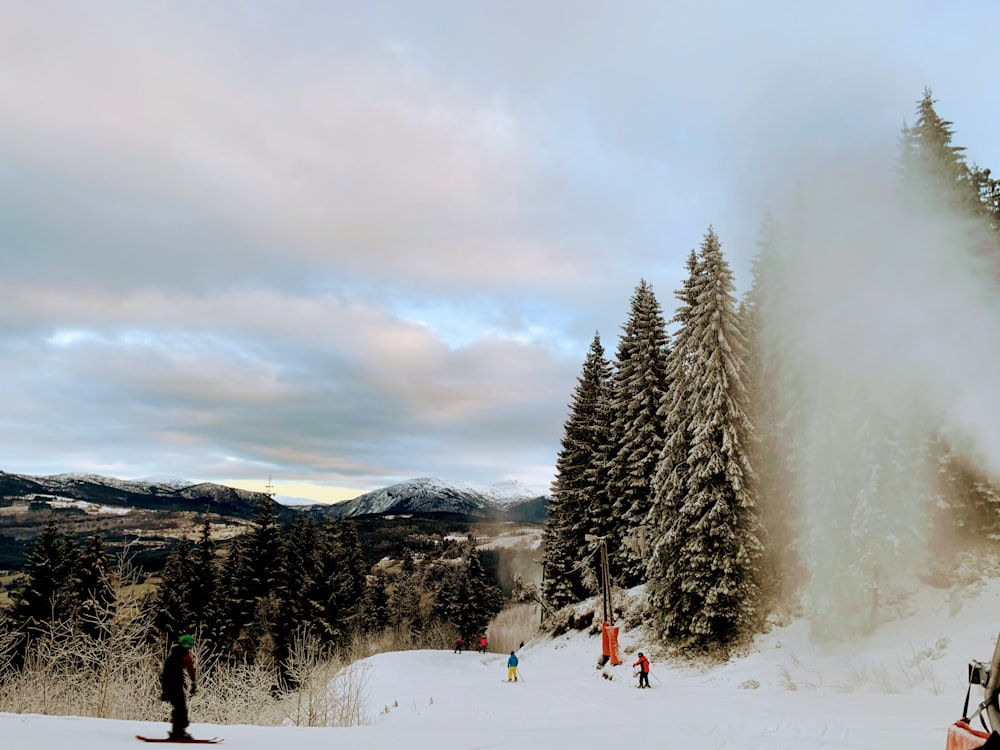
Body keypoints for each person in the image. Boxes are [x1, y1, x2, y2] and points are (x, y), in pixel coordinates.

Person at [160, 634, 197, 740]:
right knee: (180, 708)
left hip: (170, 685)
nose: (190, 647)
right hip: (175, 685)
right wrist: (193, 682)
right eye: (190, 645)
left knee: (178, 708)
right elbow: (190, 669)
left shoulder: (174, 654)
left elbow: (166, 673)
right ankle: (179, 732)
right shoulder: (184, 655)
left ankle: (177, 731)